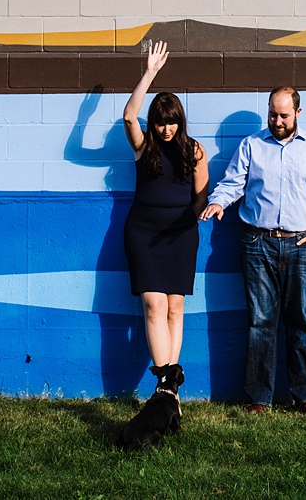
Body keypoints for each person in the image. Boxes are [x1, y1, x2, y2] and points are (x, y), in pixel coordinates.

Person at [199, 85, 306, 414]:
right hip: (257, 243)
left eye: (284, 115)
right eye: (272, 114)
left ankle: (305, 395)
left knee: (299, 321)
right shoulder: (251, 146)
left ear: (298, 114)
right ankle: (258, 398)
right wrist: (218, 201)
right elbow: (234, 182)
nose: (277, 121)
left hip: (302, 244)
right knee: (260, 322)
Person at [122, 41, 209, 392]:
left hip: (180, 235)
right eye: (160, 122)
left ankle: (169, 388)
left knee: (175, 309)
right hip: (143, 233)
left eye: (172, 122)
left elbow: (201, 197)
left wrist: (185, 220)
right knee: (153, 305)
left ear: (180, 121)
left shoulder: (195, 151)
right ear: (153, 124)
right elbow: (129, 116)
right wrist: (150, 72)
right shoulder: (144, 148)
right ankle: (165, 380)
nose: (166, 129)